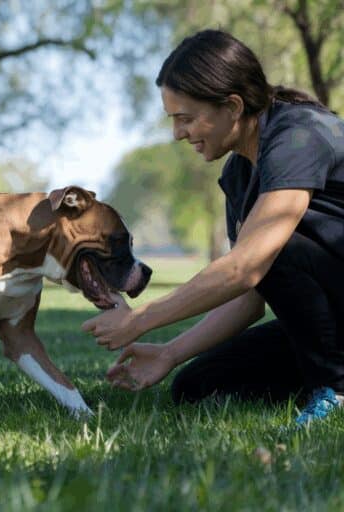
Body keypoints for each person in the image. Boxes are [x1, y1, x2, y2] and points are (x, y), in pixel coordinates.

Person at [81, 29, 344, 426]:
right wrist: (170, 352)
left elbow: (247, 266)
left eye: (185, 119)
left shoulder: (298, 136)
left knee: (277, 246)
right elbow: (250, 295)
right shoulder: (238, 173)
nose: (177, 134)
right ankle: (320, 382)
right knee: (198, 385)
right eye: (173, 120)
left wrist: (140, 319)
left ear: (233, 106)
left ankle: (336, 390)